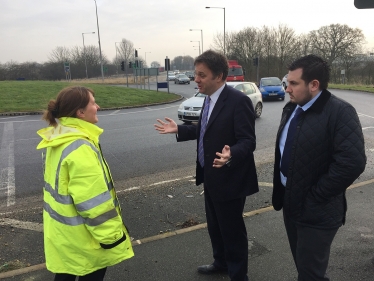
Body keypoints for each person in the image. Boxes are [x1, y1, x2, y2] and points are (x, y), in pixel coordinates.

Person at [155, 50, 258, 281]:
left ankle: (238, 275)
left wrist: (232, 153)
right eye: (196, 74)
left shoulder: (238, 101)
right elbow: (206, 131)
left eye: (202, 75)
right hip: (210, 175)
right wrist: (180, 129)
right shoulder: (209, 99)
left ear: (219, 76)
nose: (196, 79)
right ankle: (220, 262)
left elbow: (248, 141)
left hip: (230, 177)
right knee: (215, 226)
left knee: (232, 230)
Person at [272, 55, 366, 281]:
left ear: (314, 85)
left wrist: (315, 196)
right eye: (287, 82)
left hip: (317, 211)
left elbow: (352, 162)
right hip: (291, 203)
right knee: (303, 267)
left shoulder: (340, 112)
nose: (287, 89)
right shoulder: (292, 108)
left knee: (310, 273)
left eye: (293, 84)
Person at [36, 86, 134, 281]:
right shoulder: (80, 146)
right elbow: (94, 202)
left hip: (64, 234)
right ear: (80, 112)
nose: (97, 106)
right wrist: (112, 238)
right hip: (85, 238)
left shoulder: (60, 137)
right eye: (93, 103)